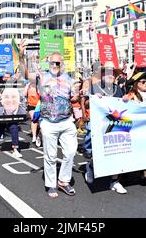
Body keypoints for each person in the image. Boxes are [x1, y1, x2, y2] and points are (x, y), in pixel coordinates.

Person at [21, 42, 79, 198]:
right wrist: (21, 56)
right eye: (52, 62)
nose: (55, 65)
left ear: (62, 64)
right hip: (48, 122)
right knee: (51, 155)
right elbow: (26, 74)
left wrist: (79, 94)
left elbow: (74, 98)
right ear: (49, 63)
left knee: (71, 151)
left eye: (58, 62)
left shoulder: (69, 79)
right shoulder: (41, 76)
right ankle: (51, 184)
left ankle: (63, 181)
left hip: (67, 121)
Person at [82, 61, 127, 194]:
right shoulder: (94, 87)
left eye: (112, 73)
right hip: (98, 124)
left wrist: (125, 99)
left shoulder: (118, 89)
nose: (110, 75)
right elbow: (86, 102)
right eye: (107, 72)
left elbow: (122, 106)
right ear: (102, 74)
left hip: (114, 125)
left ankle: (115, 181)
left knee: (117, 151)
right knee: (94, 149)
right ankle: (90, 166)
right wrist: (94, 99)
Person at [123, 71, 146, 187]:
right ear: (137, 84)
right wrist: (125, 99)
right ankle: (126, 174)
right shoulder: (132, 95)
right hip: (136, 129)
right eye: (143, 82)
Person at [25, 76, 41, 147]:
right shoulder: (28, 86)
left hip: (39, 105)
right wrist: (27, 86)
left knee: (40, 121)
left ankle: (38, 132)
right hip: (31, 105)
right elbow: (24, 94)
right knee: (34, 119)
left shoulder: (39, 86)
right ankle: (34, 136)